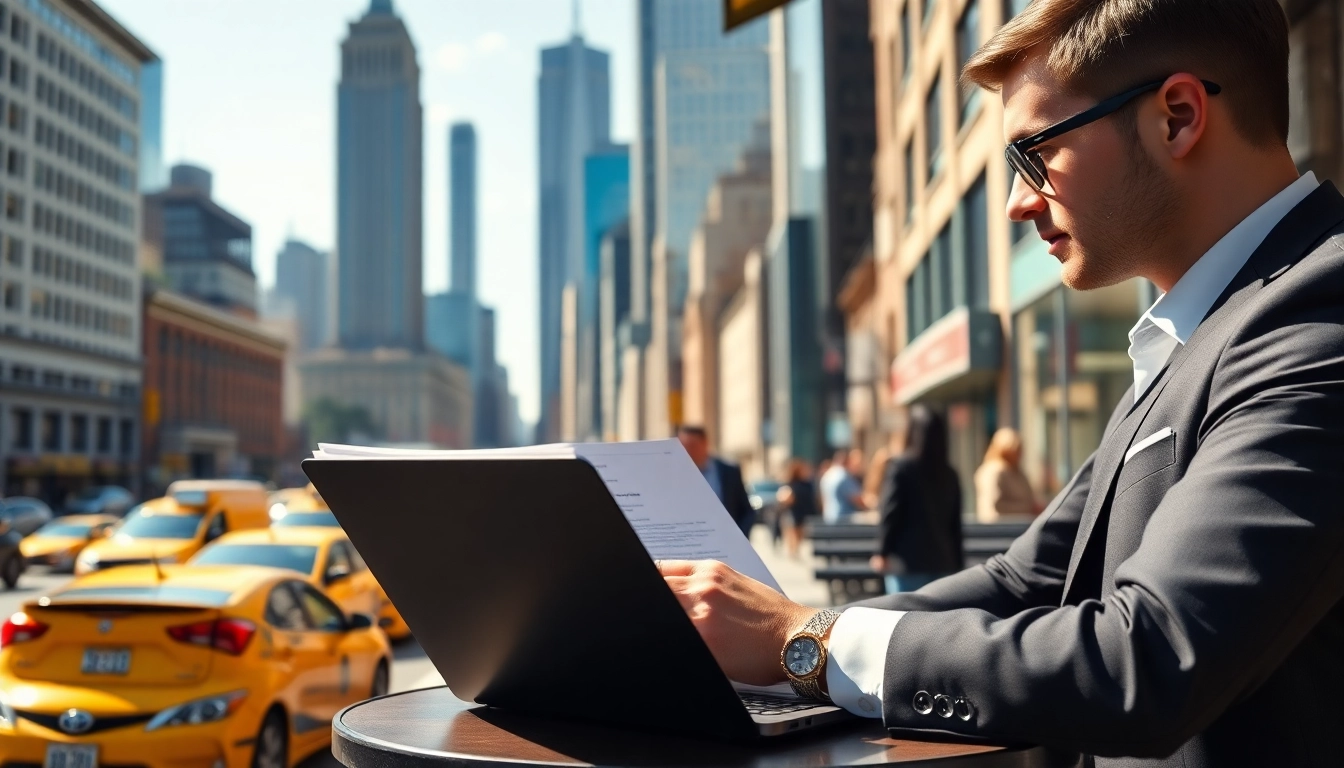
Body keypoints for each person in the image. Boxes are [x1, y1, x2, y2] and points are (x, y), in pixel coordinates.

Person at [657, 1, 1344, 764]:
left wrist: (801, 643)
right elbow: (1026, 582)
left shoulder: (1318, 320)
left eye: (1034, 155)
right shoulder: (1198, 335)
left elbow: (1149, 657)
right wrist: (770, 633)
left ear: (1177, 117)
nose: (1018, 203)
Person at [870, 406, 962, 594]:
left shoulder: (901, 468)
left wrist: (882, 552)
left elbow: (890, 514)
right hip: (943, 562)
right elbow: (955, 523)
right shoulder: (950, 474)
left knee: (903, 617)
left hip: (907, 562)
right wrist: (957, 563)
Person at [676, 425, 754, 536]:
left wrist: (740, 536)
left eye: (692, 446)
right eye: (682, 447)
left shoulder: (728, 472)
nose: (687, 451)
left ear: (705, 443)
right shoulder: (673, 475)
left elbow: (745, 510)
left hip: (725, 541)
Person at [973, 427, 1040, 522]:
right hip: (1000, 529)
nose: (1019, 455)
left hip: (1022, 525)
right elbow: (996, 506)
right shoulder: (994, 472)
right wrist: (1027, 509)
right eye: (1015, 451)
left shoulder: (1018, 472)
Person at [775, 459, 819, 558]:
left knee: (800, 532)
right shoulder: (790, 484)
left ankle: (795, 550)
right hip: (792, 511)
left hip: (803, 511)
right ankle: (793, 551)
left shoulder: (807, 484)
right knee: (792, 531)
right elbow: (785, 498)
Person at [818, 449, 865, 523]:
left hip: (829, 518)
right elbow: (857, 500)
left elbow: (822, 500)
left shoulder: (827, 475)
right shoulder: (843, 476)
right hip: (844, 521)